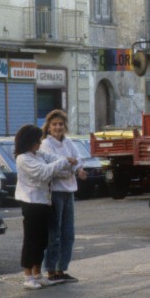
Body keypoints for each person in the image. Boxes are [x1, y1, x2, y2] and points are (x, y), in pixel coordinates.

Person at [14, 124, 74, 290]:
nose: (39, 144)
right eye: (36, 141)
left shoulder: (37, 154)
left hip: (43, 201)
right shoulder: (23, 158)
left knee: (42, 241)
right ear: (28, 142)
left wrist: (63, 160)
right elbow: (44, 172)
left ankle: (38, 274)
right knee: (31, 240)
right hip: (31, 202)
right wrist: (64, 161)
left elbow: (51, 158)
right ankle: (28, 276)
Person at [40, 109, 86, 283]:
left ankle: (62, 269)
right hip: (55, 192)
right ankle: (50, 270)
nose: (58, 127)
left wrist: (77, 169)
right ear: (49, 127)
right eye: (54, 124)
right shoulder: (46, 144)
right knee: (55, 233)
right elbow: (51, 166)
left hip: (69, 191)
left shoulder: (68, 142)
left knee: (68, 233)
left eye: (60, 124)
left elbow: (79, 159)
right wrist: (68, 165)